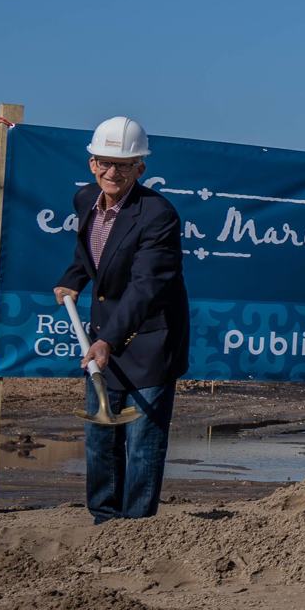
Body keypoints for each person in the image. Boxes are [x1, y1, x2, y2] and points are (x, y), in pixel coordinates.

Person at [53, 116, 190, 524]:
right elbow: (91, 255)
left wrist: (109, 340)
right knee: (100, 439)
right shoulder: (84, 200)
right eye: (104, 163)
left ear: (140, 168)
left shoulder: (158, 215)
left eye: (124, 165)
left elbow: (146, 286)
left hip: (149, 342)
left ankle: (135, 529)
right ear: (92, 163)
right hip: (103, 338)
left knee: (143, 441)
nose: (112, 172)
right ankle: (104, 519)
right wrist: (72, 279)